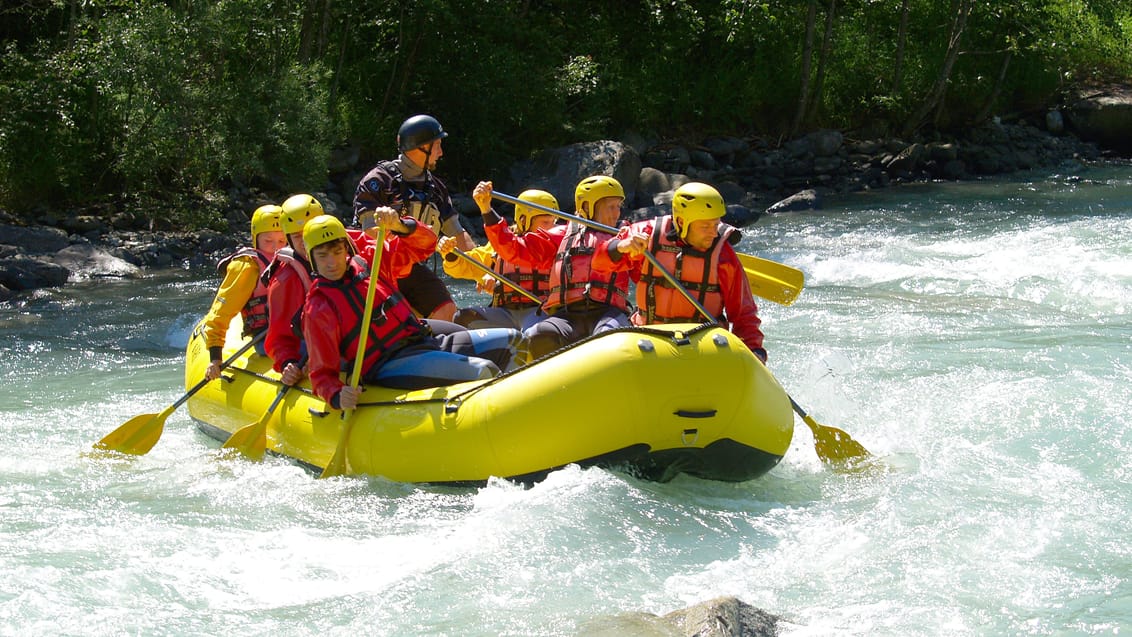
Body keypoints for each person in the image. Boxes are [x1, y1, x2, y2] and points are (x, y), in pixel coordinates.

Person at [301, 213, 521, 408]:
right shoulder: (318, 307)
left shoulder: (372, 263)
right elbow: (321, 374)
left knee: (514, 340)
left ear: (346, 249)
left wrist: (400, 225)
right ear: (312, 258)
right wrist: (337, 396)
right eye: (322, 255)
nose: (332, 262)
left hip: (422, 341)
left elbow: (424, 245)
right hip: (387, 364)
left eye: (337, 251)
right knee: (484, 371)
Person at [592, 182, 767, 362]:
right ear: (682, 222)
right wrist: (620, 247)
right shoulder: (646, 235)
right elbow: (600, 264)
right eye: (705, 227)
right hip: (650, 337)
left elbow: (744, 313)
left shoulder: (723, 254)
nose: (714, 234)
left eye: (716, 225)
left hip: (703, 342)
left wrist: (754, 350)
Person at [480, 176, 632, 362]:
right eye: (611, 207)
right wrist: (487, 211)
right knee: (538, 336)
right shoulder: (562, 236)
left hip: (609, 312)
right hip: (568, 315)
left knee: (608, 338)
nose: (617, 213)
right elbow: (514, 249)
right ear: (587, 207)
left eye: (619, 206)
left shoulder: (627, 237)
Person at [353, 114, 473, 323]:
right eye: (437, 145)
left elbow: (457, 233)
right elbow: (370, 232)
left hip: (411, 267)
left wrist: (484, 267)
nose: (441, 152)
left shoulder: (436, 189)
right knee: (399, 318)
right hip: (375, 267)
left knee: (447, 312)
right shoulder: (379, 181)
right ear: (421, 147)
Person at [436, 187, 558, 331]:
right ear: (524, 219)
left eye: (553, 221)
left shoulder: (556, 244)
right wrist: (450, 254)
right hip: (504, 312)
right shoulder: (501, 245)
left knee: (538, 333)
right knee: (462, 317)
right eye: (545, 222)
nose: (552, 227)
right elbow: (465, 266)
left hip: (538, 310)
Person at [200, 204, 286, 381]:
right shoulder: (247, 266)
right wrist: (215, 358)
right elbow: (221, 312)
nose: (275, 247)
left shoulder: (293, 259)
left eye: (282, 241)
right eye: (268, 241)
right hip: (267, 338)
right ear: (256, 239)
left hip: (294, 332)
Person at [263, 193, 322, 387]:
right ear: (289, 239)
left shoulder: (345, 247)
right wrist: (288, 362)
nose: (306, 241)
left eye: (310, 232)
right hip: (313, 345)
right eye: (297, 237)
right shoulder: (286, 279)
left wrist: (401, 227)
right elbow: (280, 334)